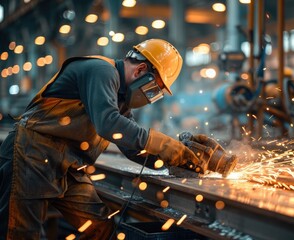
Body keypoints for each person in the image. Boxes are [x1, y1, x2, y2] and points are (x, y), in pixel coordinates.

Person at [0, 39, 200, 239]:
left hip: (68, 166)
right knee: (20, 233)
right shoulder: (102, 71)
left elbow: (129, 146)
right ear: (140, 70)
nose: (150, 96)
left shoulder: (119, 97)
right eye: (154, 89)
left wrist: (173, 160)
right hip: (32, 154)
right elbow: (109, 124)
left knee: (100, 228)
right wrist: (165, 144)